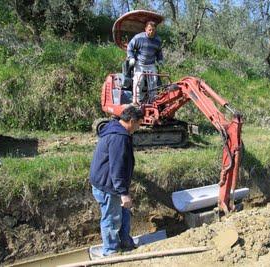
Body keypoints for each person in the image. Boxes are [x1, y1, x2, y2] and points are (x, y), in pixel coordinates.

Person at [89, 106, 144, 257]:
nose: (139, 127)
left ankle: (125, 242)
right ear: (131, 121)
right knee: (112, 219)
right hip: (108, 185)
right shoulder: (119, 138)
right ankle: (111, 251)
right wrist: (123, 193)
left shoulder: (116, 128)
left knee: (123, 213)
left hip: (109, 182)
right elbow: (117, 167)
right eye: (139, 124)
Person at [127, 21, 163, 104]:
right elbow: (130, 47)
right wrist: (131, 58)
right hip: (140, 63)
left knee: (154, 81)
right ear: (146, 29)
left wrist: (160, 60)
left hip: (151, 64)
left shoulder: (158, 40)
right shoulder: (138, 38)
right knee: (139, 81)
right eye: (149, 30)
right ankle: (136, 101)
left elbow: (159, 52)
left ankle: (152, 101)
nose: (151, 32)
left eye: (153, 30)